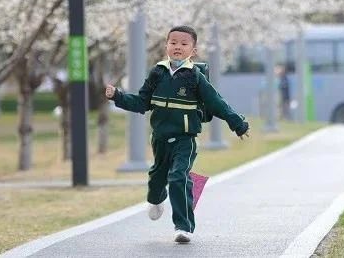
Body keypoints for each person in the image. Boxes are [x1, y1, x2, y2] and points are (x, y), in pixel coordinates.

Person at [105, 25, 249, 244]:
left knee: (178, 177)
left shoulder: (195, 77)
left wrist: (237, 124)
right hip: (160, 139)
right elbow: (141, 103)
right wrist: (118, 96)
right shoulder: (157, 73)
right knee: (156, 180)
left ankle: (183, 226)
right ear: (166, 46)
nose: (177, 47)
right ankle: (156, 198)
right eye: (173, 43)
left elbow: (217, 103)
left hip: (185, 139)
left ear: (194, 50)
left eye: (184, 44)